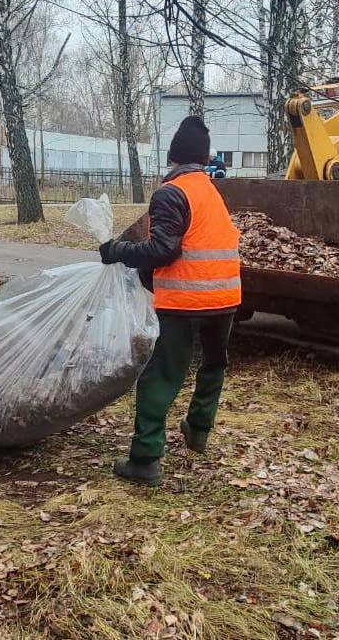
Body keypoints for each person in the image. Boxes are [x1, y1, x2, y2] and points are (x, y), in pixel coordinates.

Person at [99, 116, 241, 486]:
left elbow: (163, 249)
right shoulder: (211, 191)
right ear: (205, 158)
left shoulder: (172, 192)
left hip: (185, 299)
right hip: (225, 298)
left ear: (173, 156)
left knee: (161, 375)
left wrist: (116, 251)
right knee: (213, 365)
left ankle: (145, 459)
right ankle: (198, 430)